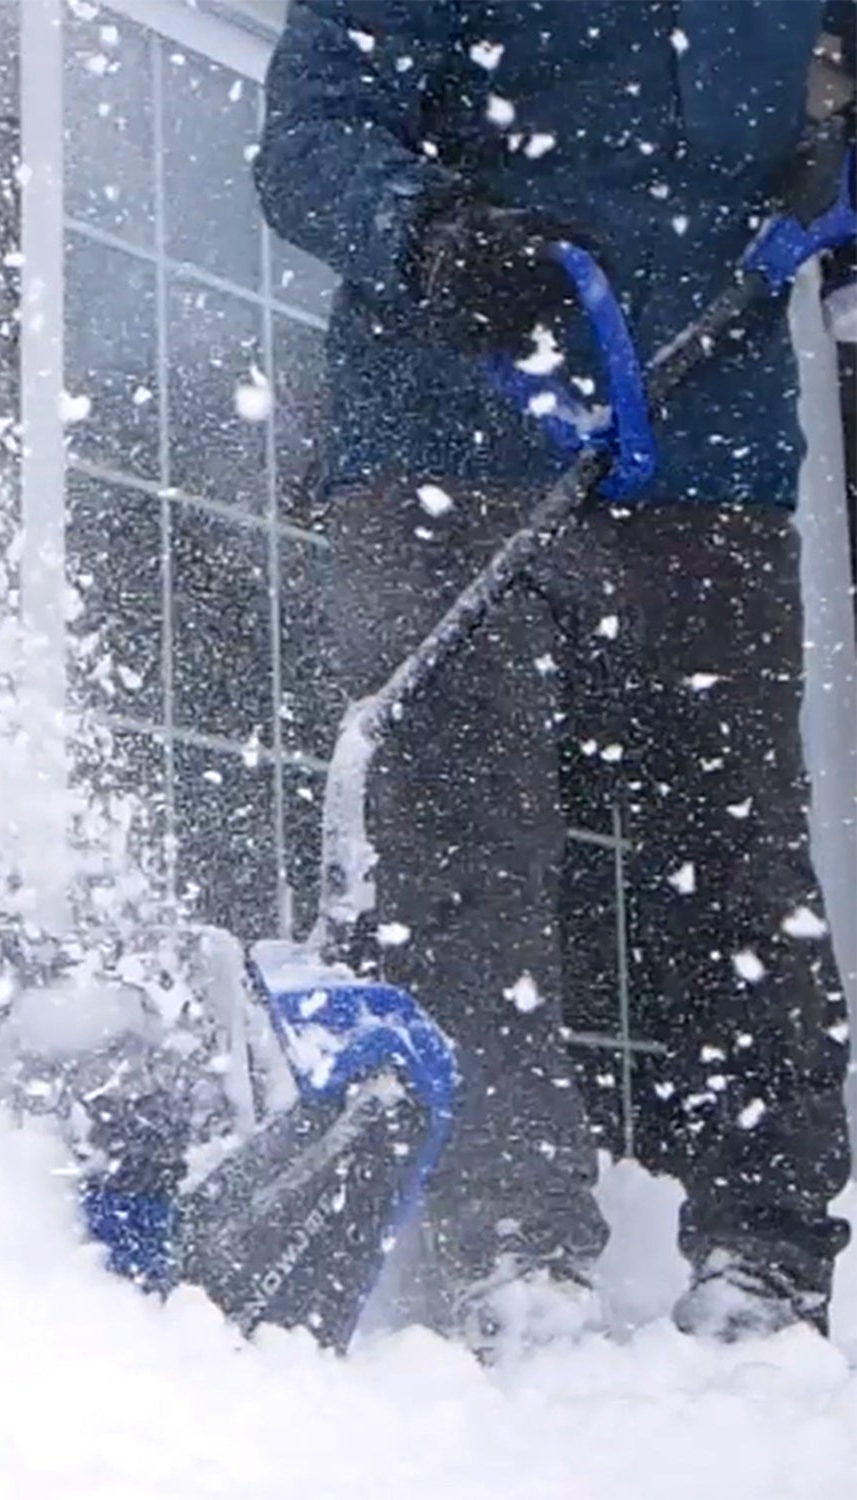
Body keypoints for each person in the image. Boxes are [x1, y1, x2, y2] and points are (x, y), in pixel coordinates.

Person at [254, 0, 853, 1349]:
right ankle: (507, 1243)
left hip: (714, 459)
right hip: (451, 436)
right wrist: (431, 231)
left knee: (738, 861)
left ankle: (771, 1253)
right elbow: (309, 137)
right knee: (467, 847)